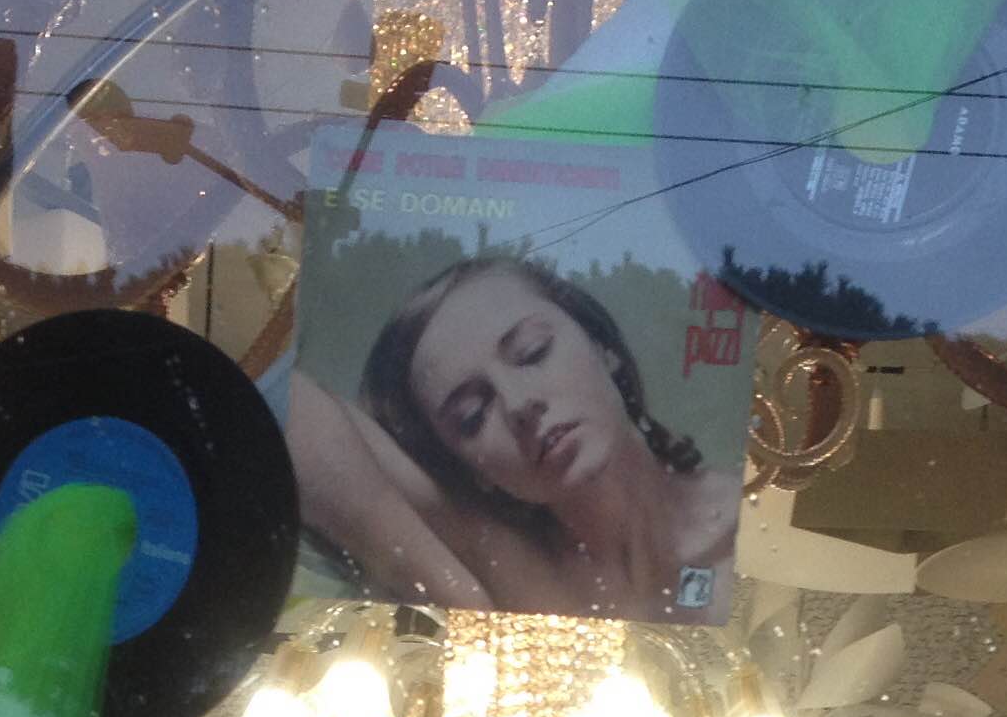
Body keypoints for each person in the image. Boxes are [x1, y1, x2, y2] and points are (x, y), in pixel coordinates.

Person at [285, 254, 735, 621]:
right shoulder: (502, 556)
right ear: (472, 471)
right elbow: (288, 405)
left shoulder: (739, 528)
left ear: (603, 347)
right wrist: (460, 596)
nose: (519, 404)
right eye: (472, 416)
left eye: (532, 352)